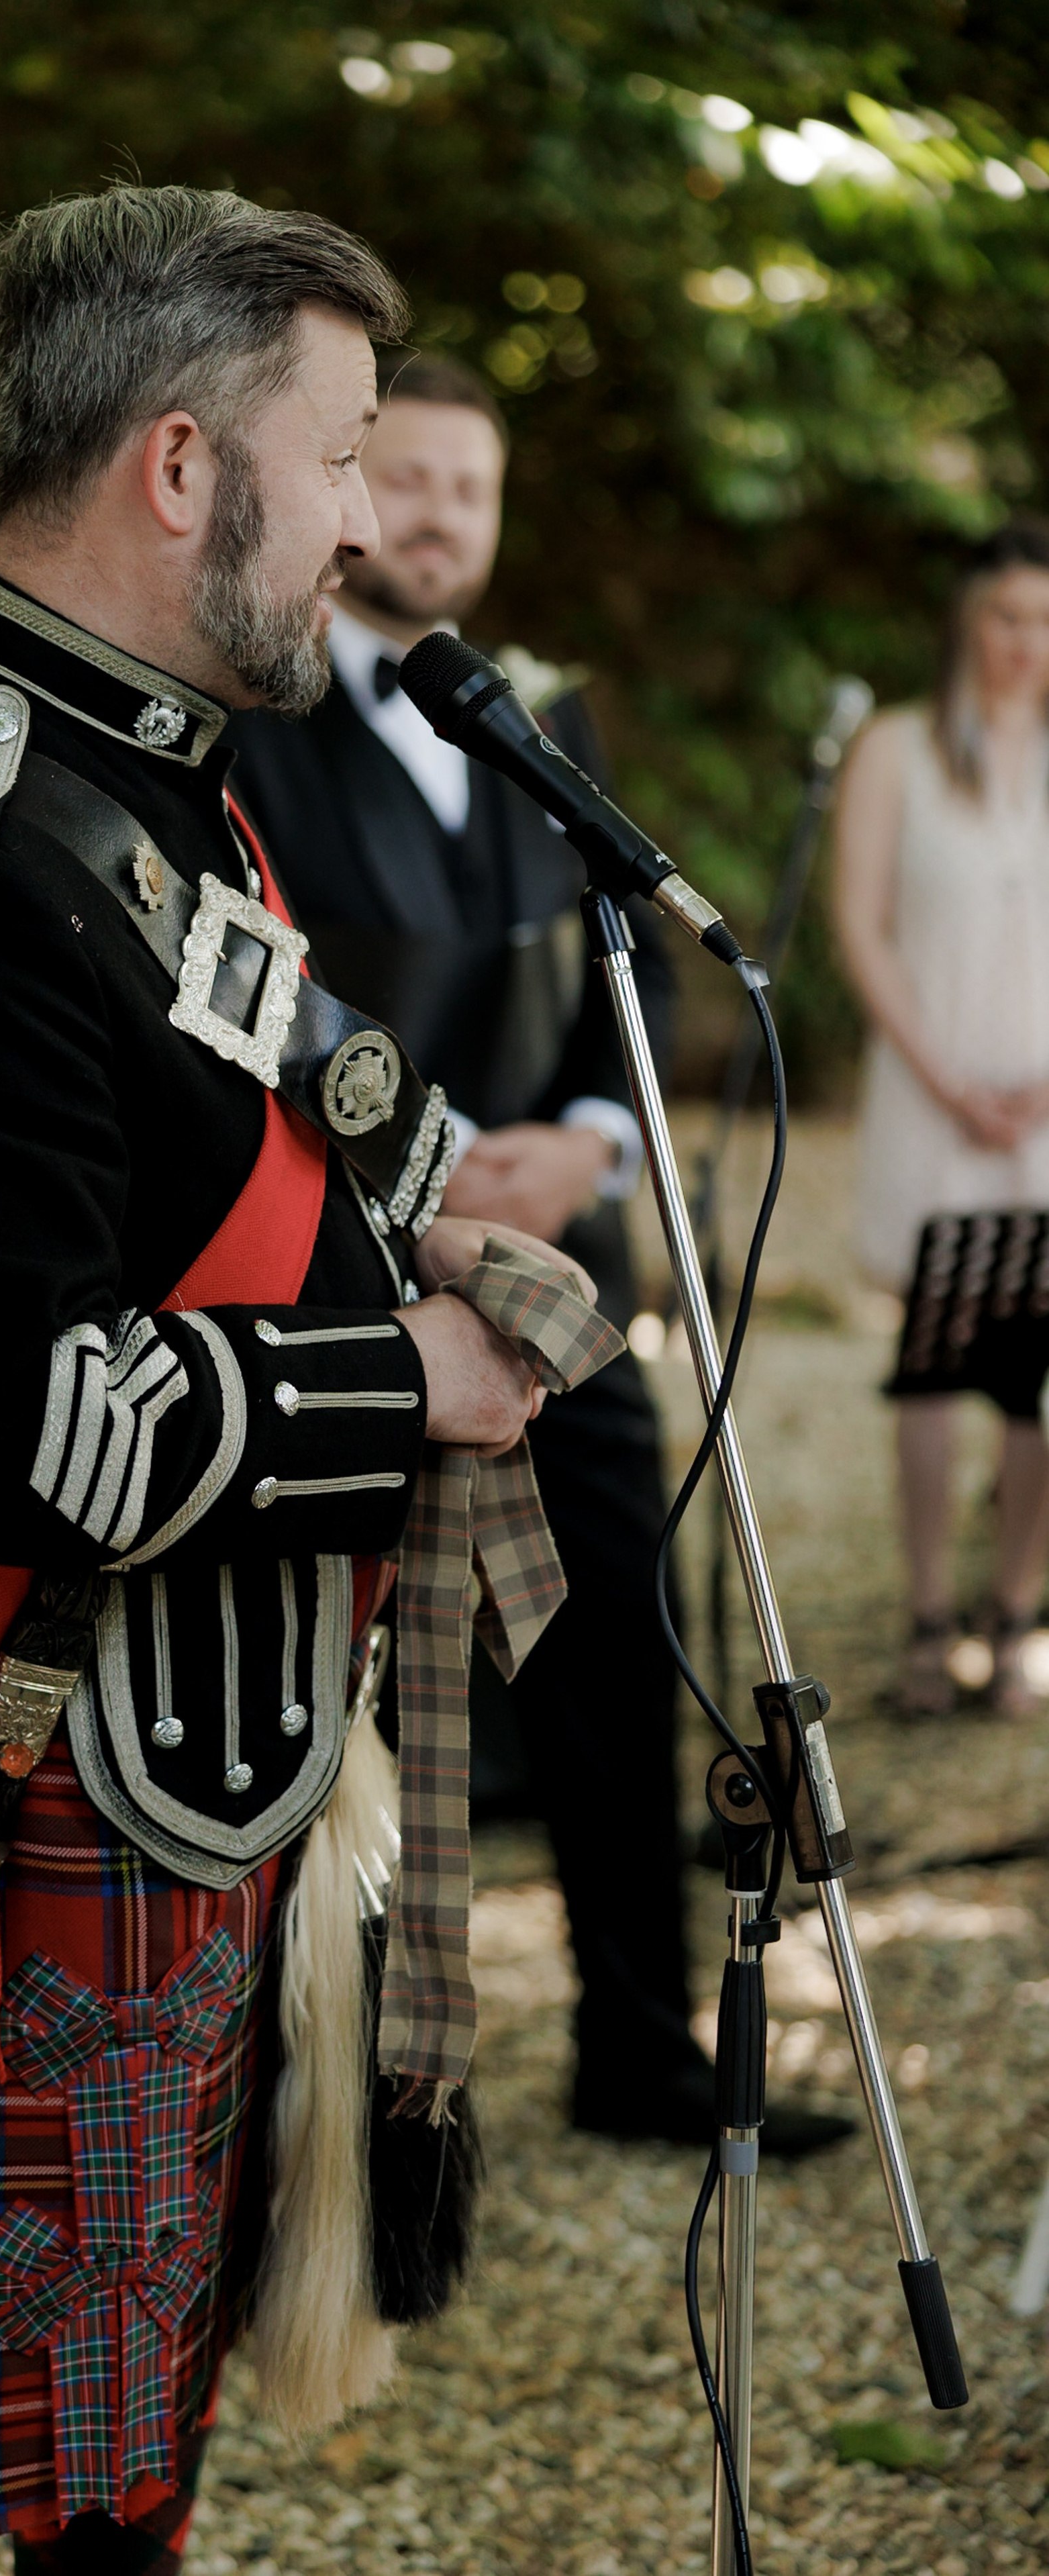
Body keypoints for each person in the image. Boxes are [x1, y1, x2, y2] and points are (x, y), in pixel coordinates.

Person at [0, 189, 583, 2575]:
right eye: (346, 451)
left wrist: (423, 1232)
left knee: (73, 2449)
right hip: (24, 1743)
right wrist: (424, 1380)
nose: (374, 516)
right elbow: (30, 1419)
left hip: (176, 1743)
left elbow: (217, 1163)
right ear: (184, 467)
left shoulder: (164, 765)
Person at [229, 352, 852, 2158]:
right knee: (345, 1694)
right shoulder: (255, 725)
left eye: (468, 489)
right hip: (349, 1274)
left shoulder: (536, 715)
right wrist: (424, 1174)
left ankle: (644, 2046)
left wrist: (579, 1146)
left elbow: (629, 986)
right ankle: (328, 2107)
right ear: (345, 492)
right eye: (402, 476)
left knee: (617, 1628)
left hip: (556, 1271)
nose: (435, 516)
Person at [838, 518, 1049, 1718]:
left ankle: (1014, 1611)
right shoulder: (897, 751)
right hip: (931, 1097)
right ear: (970, 623)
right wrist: (949, 1078)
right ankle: (927, 1611)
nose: (1028, 645)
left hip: (1045, 1116)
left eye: (1047, 624)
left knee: (1036, 1375)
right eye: (1008, 618)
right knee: (930, 1364)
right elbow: (862, 931)